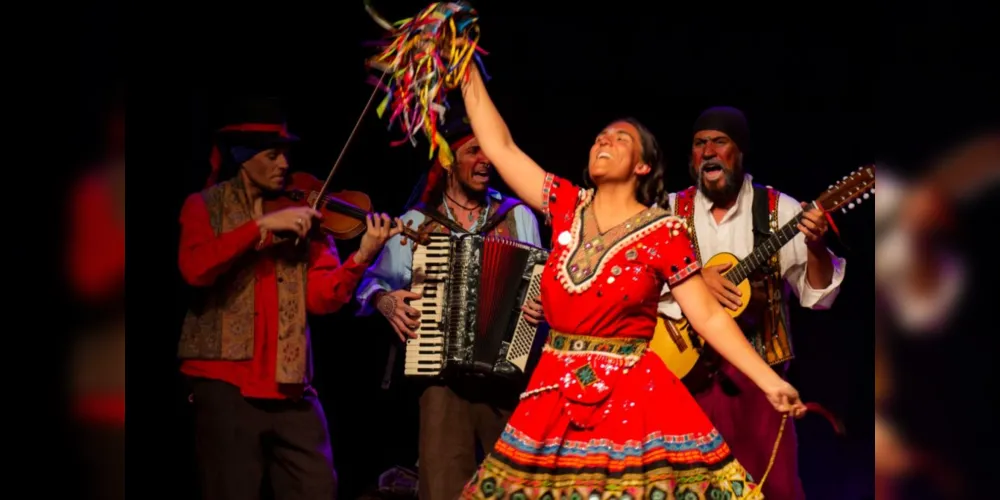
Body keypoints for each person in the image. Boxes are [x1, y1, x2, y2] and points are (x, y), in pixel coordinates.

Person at [454, 65, 806, 499]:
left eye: (621, 138)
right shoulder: (566, 206)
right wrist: (464, 65)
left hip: (631, 401)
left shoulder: (665, 231)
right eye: (601, 136)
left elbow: (709, 315)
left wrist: (769, 382)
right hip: (553, 396)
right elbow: (501, 147)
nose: (605, 141)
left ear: (643, 165)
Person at [177, 97, 402, 500]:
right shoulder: (204, 207)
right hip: (225, 383)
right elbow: (195, 268)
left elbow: (321, 298)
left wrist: (362, 255)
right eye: (273, 154)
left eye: (286, 155)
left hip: (291, 385)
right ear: (244, 158)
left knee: (318, 488)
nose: (285, 164)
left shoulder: (307, 215)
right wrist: (260, 227)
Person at [655, 106, 846, 499]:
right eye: (698, 143)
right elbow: (636, 283)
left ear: (739, 152)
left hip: (760, 386)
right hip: (682, 376)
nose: (707, 151)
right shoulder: (668, 211)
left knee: (773, 488)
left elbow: (819, 297)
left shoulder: (781, 211)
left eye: (719, 142)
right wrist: (692, 280)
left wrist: (816, 247)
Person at [355, 104, 544, 500]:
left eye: (488, 151)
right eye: (473, 150)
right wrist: (386, 301)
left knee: (514, 488)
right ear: (448, 159)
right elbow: (370, 284)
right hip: (440, 381)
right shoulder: (415, 222)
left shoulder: (519, 215)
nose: (485, 160)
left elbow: (540, 283)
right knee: (442, 486)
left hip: (505, 377)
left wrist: (542, 306)